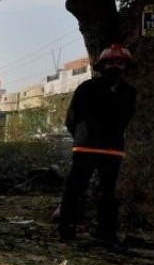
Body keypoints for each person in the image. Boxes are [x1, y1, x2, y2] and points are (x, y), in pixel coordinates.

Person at [58, 44, 136, 247]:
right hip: (86, 146)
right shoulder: (87, 88)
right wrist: (82, 137)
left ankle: (106, 232)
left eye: (119, 63)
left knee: (108, 192)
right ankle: (67, 229)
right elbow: (72, 119)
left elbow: (125, 119)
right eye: (110, 63)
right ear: (102, 66)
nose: (115, 67)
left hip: (113, 149)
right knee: (76, 188)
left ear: (126, 66)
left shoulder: (129, 92)